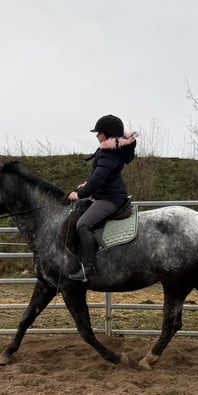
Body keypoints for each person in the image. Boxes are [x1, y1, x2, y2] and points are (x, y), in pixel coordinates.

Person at [67, 114, 137, 281]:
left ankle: (88, 268)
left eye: (99, 132)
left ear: (107, 134)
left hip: (110, 198)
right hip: (108, 194)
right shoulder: (110, 151)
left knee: (82, 224)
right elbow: (101, 176)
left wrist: (79, 194)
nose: (97, 135)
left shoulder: (108, 153)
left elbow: (98, 179)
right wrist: (86, 183)